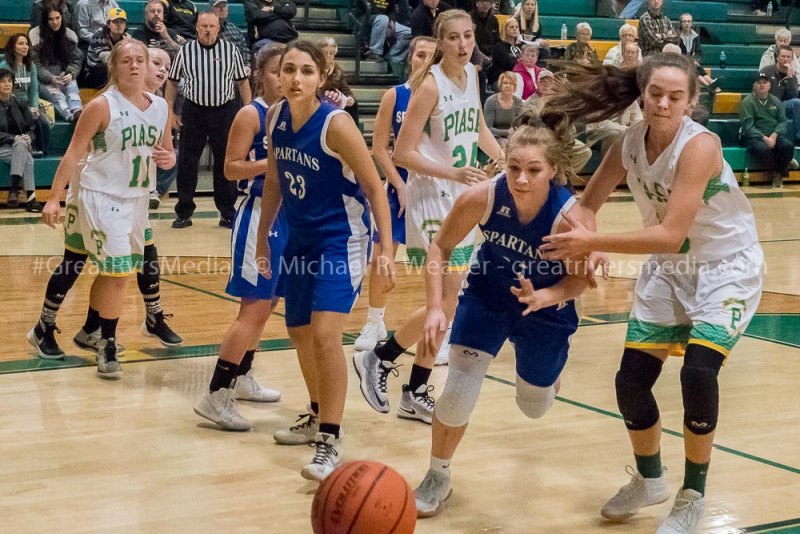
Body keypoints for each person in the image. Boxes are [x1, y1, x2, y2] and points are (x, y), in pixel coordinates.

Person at [538, 52, 764, 533]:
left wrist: (593, 241)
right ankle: (649, 480)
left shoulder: (699, 147)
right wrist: (584, 234)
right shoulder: (627, 143)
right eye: (656, 94)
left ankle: (692, 495)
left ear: (691, 102)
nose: (663, 103)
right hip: (670, 270)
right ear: (642, 95)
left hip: (726, 268)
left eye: (675, 97)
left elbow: (669, 233)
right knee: (630, 381)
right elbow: (585, 206)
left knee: (698, 373)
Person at [413, 115, 602, 518]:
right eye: (514, 167)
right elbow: (440, 247)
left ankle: (548, 380)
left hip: (546, 309)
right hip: (489, 295)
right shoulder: (481, 197)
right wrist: (435, 308)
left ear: (553, 170)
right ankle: (437, 475)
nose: (521, 179)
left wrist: (544, 296)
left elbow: (578, 282)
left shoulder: (569, 219)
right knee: (457, 393)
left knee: (533, 406)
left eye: (533, 170)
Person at [253, 41, 395, 481]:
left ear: (321, 77)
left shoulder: (336, 125)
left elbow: (374, 187)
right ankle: (318, 413)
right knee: (299, 331)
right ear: (277, 76)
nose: (296, 79)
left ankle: (329, 440)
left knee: (326, 334)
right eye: (288, 70)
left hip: (341, 240)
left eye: (306, 71)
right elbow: (274, 178)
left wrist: (387, 250)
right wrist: (263, 236)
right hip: (299, 238)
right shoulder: (275, 117)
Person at [354, 10, 503, 424]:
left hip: (460, 195)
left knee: (448, 304)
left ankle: (414, 389)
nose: (463, 44)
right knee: (446, 298)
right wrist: (453, 172)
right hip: (431, 198)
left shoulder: (472, 75)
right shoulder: (430, 86)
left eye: (468, 36)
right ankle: (380, 358)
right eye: (453, 37)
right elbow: (401, 153)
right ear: (441, 43)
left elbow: (477, 128)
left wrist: (503, 157)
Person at [27, 44, 182, 361]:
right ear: (114, 66)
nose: (135, 66)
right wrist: (54, 197)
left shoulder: (160, 108)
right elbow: (73, 153)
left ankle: (89, 330)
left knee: (115, 269)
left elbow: (166, 152)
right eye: (127, 61)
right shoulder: (101, 105)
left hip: (136, 198)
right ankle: (66, 330)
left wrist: (170, 158)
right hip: (97, 195)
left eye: (140, 60)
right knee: (83, 263)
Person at [193, 45, 286, 431]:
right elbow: (230, 169)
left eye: (292, 69)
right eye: (278, 70)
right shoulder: (251, 114)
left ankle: (243, 375)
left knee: (269, 304)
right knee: (253, 308)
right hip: (256, 215)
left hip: (288, 218)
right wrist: (271, 162)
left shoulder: (296, 114)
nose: (286, 77)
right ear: (260, 74)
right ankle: (215, 395)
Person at [354, 35, 438, 352]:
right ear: (410, 58)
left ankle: (443, 326)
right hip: (399, 186)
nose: (425, 61)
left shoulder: (445, 98)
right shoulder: (395, 95)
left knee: (440, 263)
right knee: (382, 255)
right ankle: (374, 321)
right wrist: (399, 185)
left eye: (432, 56)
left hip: (435, 190)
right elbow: (378, 148)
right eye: (420, 54)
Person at [166, 11, 251, 229]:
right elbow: (173, 82)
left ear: (218, 28)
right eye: (203, 26)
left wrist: (249, 110)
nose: (207, 30)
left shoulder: (230, 50)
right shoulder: (185, 51)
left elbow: (242, 82)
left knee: (225, 161)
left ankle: (227, 212)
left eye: (212, 26)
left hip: (224, 111)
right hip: (194, 111)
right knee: (187, 161)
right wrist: (169, 111)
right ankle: (184, 211)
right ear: (196, 27)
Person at [0, 33, 51, 156]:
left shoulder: (31, 66)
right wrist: (23, 107)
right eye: (20, 44)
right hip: (12, 103)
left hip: (28, 103)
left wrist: (34, 106)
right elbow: (5, 89)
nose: (25, 47)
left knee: (44, 122)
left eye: (27, 44)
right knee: (24, 120)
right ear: (13, 47)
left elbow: (33, 90)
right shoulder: (5, 65)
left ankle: (42, 150)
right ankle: (28, 149)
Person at [740, 73, 794, 188]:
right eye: (759, 83)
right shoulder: (747, 102)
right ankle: (782, 169)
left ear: (769, 85)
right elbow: (748, 127)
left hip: (773, 134)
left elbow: (783, 122)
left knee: (788, 146)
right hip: (754, 137)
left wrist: (774, 135)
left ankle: (780, 171)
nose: (762, 85)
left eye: (764, 83)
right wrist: (765, 138)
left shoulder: (776, 101)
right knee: (763, 149)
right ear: (754, 86)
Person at [0, 68, 42, 212]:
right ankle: (31, 199)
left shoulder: (20, 103)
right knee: (28, 159)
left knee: (21, 144)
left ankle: (13, 191)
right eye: (2, 81)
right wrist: (14, 138)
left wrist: (28, 136)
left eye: (9, 81)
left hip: (21, 145)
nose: (7, 84)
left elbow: (32, 128)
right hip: (2, 147)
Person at [32, 7, 84, 122]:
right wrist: (50, 78)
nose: (55, 22)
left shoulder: (69, 35)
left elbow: (76, 60)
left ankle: (78, 112)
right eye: (51, 19)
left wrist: (71, 73)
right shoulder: (35, 36)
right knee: (58, 96)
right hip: (43, 79)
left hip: (63, 74)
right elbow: (34, 64)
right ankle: (71, 117)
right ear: (45, 20)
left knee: (72, 90)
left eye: (57, 18)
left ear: (62, 17)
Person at [80, 7, 130, 89]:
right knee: (105, 68)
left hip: (113, 73)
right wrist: (124, 46)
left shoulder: (127, 38)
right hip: (93, 75)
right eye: (115, 22)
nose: (119, 25)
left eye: (121, 22)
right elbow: (108, 60)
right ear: (108, 24)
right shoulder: (99, 37)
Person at [760, 44, 800, 143]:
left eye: (788, 57)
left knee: (797, 102)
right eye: (783, 56)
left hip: (782, 104)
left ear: (792, 59)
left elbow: (793, 96)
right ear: (777, 57)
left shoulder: (791, 75)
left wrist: (790, 79)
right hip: (767, 103)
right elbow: (760, 91)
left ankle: (798, 137)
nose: (785, 59)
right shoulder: (766, 71)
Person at [318, 38, 360, 124]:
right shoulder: (313, 68)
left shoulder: (338, 71)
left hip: (331, 106)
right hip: (317, 103)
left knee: (352, 107)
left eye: (331, 53)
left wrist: (350, 98)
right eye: (325, 53)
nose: (328, 56)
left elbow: (345, 90)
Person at [211, 0, 252, 75]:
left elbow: (244, 49)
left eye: (224, 6)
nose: (222, 9)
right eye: (218, 6)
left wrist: (247, 65)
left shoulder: (234, 28)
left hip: (240, 69)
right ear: (211, 9)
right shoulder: (207, 30)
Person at [484, 71, 522, 146]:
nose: (508, 85)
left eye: (511, 83)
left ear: (515, 86)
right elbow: (488, 128)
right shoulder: (491, 101)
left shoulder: (518, 102)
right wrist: (506, 132)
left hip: (513, 137)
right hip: (494, 138)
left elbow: (519, 126)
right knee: (505, 144)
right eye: (505, 83)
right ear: (500, 85)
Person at [487, 17, 522, 86]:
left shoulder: (521, 45)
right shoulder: (498, 46)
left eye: (516, 27)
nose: (515, 29)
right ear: (505, 30)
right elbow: (509, 64)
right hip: (501, 79)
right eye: (511, 27)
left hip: (517, 78)